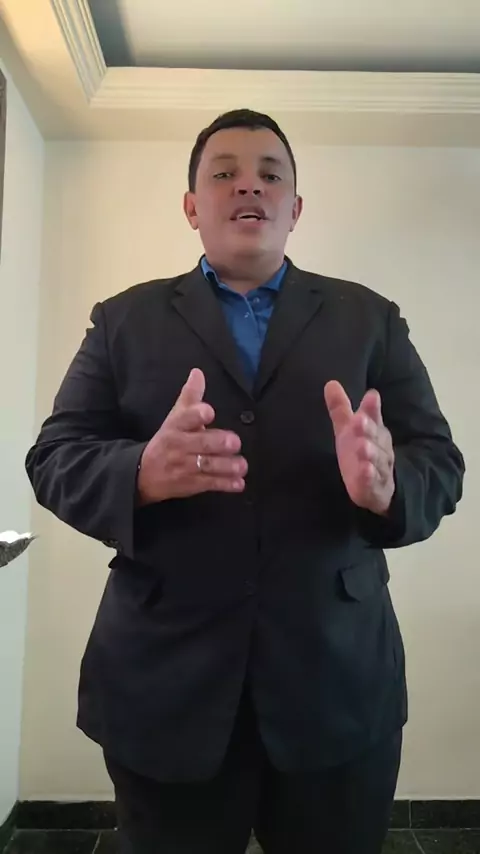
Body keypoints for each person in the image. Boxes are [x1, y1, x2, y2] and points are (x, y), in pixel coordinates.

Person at [26, 108, 464, 854]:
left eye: (269, 174)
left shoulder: (371, 320)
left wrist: (388, 489)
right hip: (166, 686)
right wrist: (140, 472)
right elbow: (54, 455)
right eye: (223, 173)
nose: (248, 186)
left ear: (296, 207)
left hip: (337, 684)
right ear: (191, 207)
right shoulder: (122, 321)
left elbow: (440, 461)